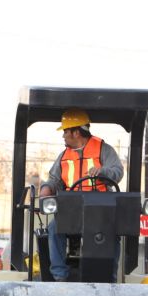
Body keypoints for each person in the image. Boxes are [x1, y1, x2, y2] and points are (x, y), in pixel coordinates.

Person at [39, 108, 124, 281]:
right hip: (73, 209)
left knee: (113, 232)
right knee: (54, 228)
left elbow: (118, 171)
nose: (63, 136)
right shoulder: (64, 156)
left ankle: (110, 277)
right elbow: (55, 179)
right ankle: (60, 276)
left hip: (100, 208)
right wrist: (46, 188)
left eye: (65, 131)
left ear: (76, 132)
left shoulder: (104, 150)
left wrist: (103, 172)